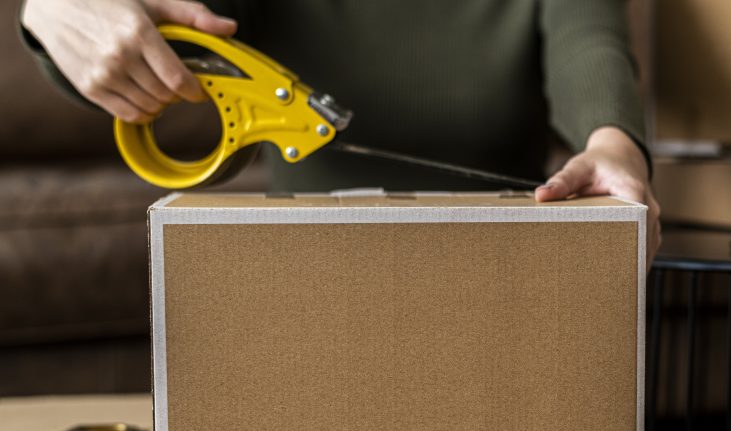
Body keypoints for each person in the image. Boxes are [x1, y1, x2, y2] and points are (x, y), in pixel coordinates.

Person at [20, 0, 661, 265]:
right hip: (315, 274)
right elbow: (139, 18)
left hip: (509, 270)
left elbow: (589, 39)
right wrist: (56, 13)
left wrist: (614, 145)